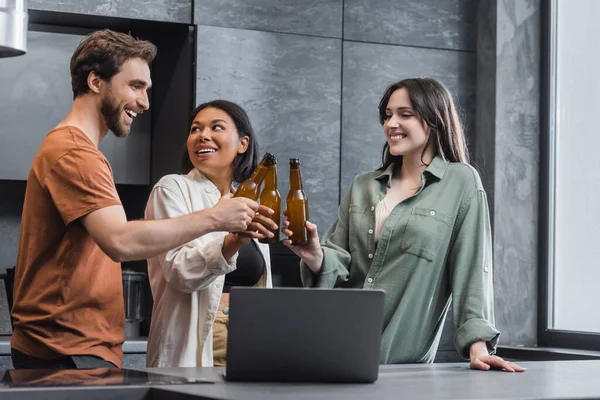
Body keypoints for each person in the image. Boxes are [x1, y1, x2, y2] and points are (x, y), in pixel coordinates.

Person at [10, 30, 260, 370]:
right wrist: (217, 217)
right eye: (135, 86)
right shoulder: (74, 152)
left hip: (74, 346)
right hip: (65, 345)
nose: (144, 102)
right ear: (96, 81)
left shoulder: (80, 151)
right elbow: (120, 241)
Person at [282, 77, 525, 372]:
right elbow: (342, 262)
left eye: (404, 114)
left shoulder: (461, 182)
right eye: (387, 115)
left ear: (434, 119)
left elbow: (472, 269)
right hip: (334, 346)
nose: (391, 124)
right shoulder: (363, 186)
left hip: (402, 365)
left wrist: (478, 345)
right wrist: (315, 256)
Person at [145, 100, 277, 368]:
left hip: (250, 337)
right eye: (195, 129)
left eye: (216, 127)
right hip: (202, 335)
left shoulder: (248, 201)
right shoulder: (172, 189)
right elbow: (177, 270)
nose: (202, 135)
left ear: (243, 144)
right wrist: (231, 242)